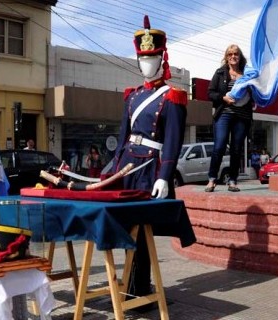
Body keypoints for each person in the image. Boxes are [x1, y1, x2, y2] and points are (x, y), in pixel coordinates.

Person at [111, 15, 187, 308]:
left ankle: (139, 287)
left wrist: (165, 175)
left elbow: (173, 140)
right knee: (124, 226)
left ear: (162, 57)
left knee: (142, 231)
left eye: (152, 57)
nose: (146, 63)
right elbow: (122, 138)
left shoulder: (173, 96)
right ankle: (130, 281)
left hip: (150, 169)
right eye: (142, 58)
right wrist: (114, 169)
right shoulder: (132, 96)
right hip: (129, 167)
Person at [205, 44, 254, 192]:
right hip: (224, 114)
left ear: (240, 57)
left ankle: (232, 181)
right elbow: (210, 93)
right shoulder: (220, 73)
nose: (233, 56)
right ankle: (212, 179)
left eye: (236, 54)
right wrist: (223, 98)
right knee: (219, 146)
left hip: (242, 116)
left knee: (236, 149)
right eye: (230, 54)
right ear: (226, 57)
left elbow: (254, 91)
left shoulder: (247, 74)